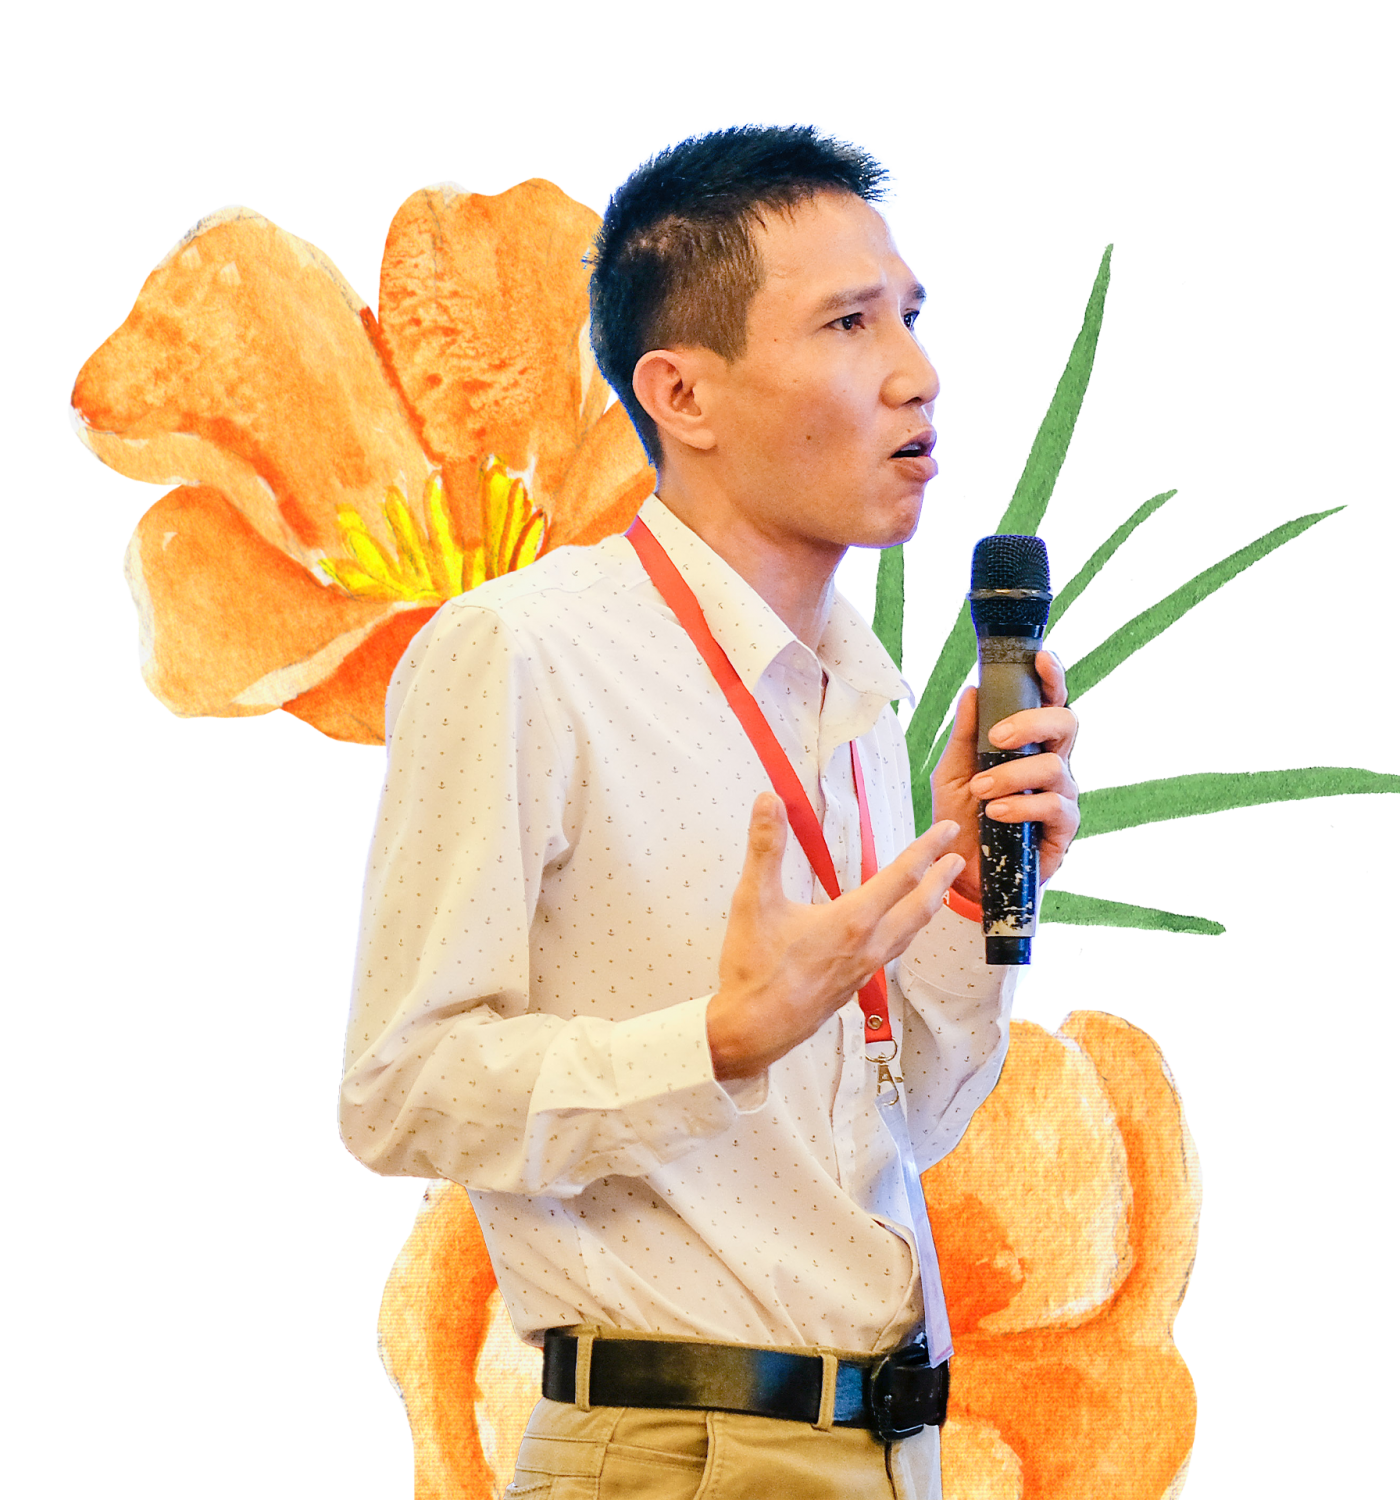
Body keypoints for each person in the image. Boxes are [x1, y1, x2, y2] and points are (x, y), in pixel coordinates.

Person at [339, 120, 1080, 1499]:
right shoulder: (521, 653)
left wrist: (973, 907)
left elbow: (894, 1126)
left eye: (911, 314)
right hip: (675, 1454)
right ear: (682, 393)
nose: (918, 374)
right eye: (849, 323)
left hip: (889, 1450)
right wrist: (715, 1043)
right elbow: (400, 1095)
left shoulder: (854, 700)